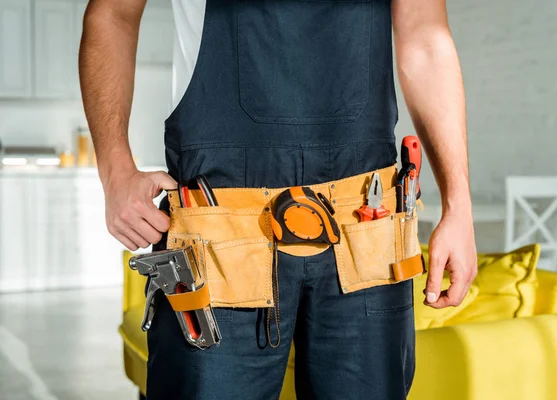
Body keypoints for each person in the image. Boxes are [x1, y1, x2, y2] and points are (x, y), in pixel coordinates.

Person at [80, 0, 477, 399]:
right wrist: (114, 170)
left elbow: (425, 33)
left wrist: (458, 205)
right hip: (218, 243)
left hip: (367, 237)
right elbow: (112, 13)